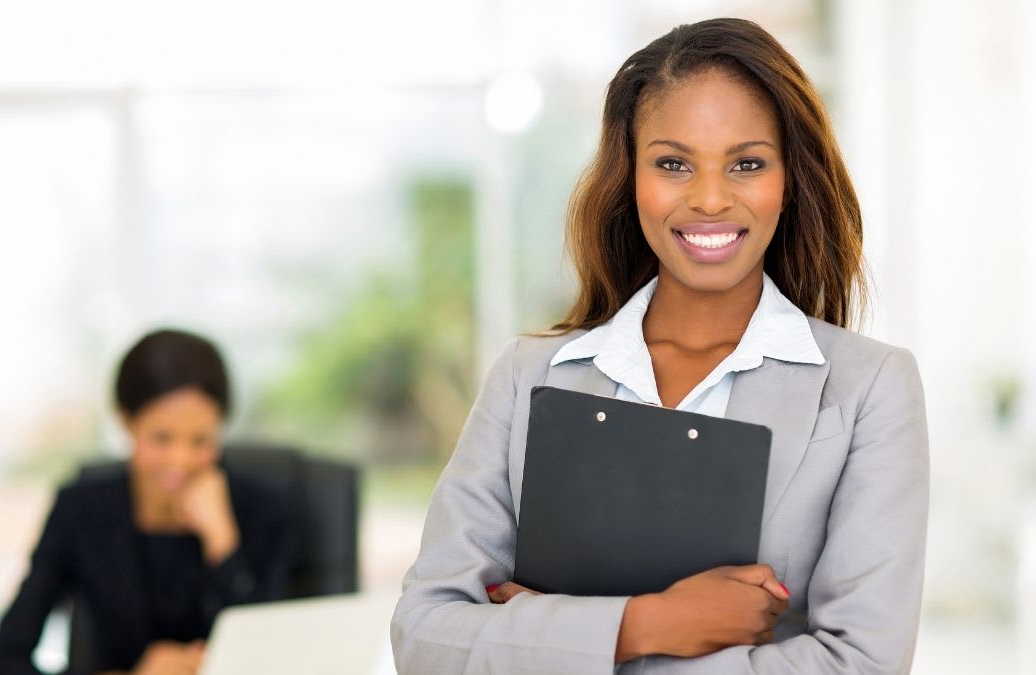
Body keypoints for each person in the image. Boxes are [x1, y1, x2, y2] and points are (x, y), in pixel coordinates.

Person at [391, 17, 928, 675]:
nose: (708, 198)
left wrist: (548, 644)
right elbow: (424, 636)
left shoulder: (869, 388)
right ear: (630, 176)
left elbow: (861, 663)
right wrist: (654, 623)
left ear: (788, 180)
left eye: (747, 163)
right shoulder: (527, 377)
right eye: (673, 163)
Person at [0, 329, 289, 675]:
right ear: (126, 423)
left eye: (201, 440)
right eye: (161, 439)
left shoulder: (264, 511)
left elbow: (273, 659)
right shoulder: (80, 511)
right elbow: (6, 661)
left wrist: (223, 545)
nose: (181, 460)